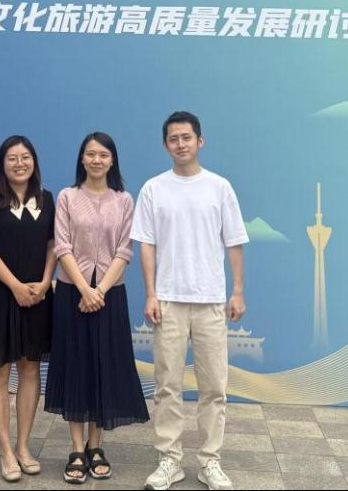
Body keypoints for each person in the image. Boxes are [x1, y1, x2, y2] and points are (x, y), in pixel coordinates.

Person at [132, 112, 248, 491]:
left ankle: (210, 461)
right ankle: (170, 460)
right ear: (165, 144)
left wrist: (237, 291)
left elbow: (234, 242)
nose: (180, 144)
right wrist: (151, 293)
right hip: (167, 300)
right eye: (173, 139)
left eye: (186, 137)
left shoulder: (219, 187)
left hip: (211, 300)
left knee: (214, 387)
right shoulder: (153, 189)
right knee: (167, 385)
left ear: (200, 140)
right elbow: (146, 244)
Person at [44, 132, 149, 484]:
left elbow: (124, 251)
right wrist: (84, 290)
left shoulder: (124, 200)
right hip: (72, 292)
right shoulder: (67, 196)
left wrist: (99, 290)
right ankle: (76, 449)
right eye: (90, 154)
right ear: (82, 158)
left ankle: (96, 446)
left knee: (103, 366)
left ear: (112, 159)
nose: (96, 160)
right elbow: (62, 247)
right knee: (76, 366)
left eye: (103, 154)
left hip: (109, 294)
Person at [0, 135, 57, 483]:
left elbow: (54, 245)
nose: (20, 163)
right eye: (12, 158)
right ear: (2, 164)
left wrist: (45, 283)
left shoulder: (47, 199)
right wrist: (15, 286)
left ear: (34, 162)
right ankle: (5, 450)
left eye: (25, 157)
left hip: (36, 296)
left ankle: (23, 446)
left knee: (30, 370)